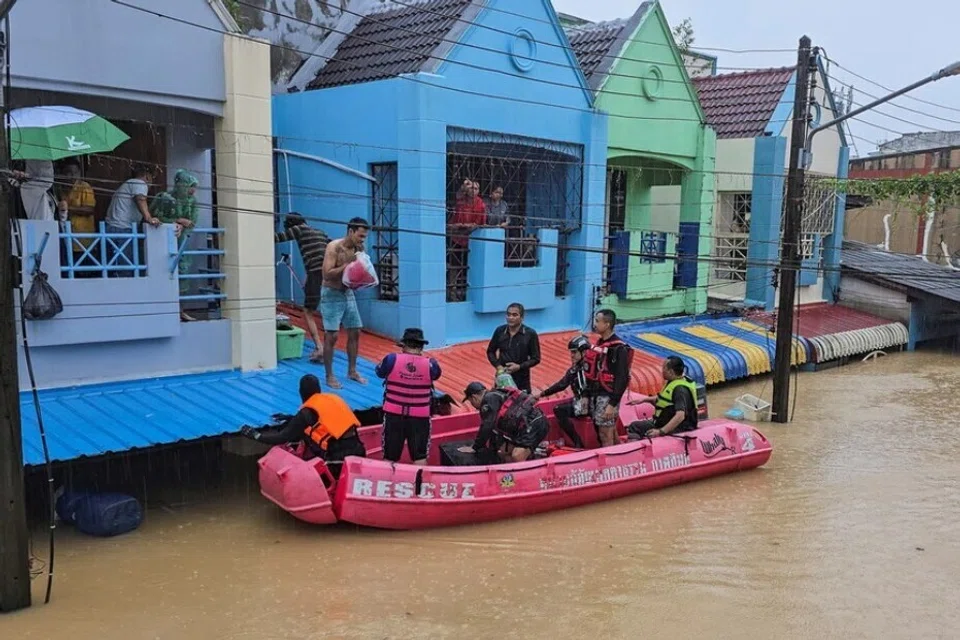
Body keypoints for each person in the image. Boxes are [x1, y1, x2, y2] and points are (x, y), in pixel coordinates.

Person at [240, 374, 366, 479]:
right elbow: (327, 422)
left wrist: (255, 435)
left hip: (337, 461)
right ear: (319, 389)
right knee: (306, 430)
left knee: (302, 433)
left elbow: (281, 437)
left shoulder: (306, 413)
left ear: (301, 393)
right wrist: (292, 419)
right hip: (358, 451)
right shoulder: (334, 398)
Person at [375, 328, 442, 466]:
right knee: (419, 456)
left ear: (404, 345)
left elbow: (379, 372)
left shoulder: (391, 359)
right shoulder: (431, 365)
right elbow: (436, 375)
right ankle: (418, 485)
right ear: (422, 346)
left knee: (389, 457)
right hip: (420, 418)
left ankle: (389, 484)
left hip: (394, 415)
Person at [320, 217, 370, 388]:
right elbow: (327, 274)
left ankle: (352, 370)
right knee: (332, 335)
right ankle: (329, 375)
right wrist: (347, 265)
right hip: (331, 293)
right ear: (350, 231)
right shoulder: (334, 247)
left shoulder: (359, 248)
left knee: (355, 331)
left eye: (364, 237)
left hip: (347, 292)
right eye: (360, 236)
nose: (362, 240)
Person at [275, 212, 330, 362]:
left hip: (315, 273)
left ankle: (319, 347)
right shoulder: (321, 233)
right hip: (329, 274)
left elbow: (277, 238)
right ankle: (327, 348)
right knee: (328, 312)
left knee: (308, 311)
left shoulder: (298, 230)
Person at [457, 381, 548, 463]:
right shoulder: (496, 394)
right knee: (502, 453)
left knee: (516, 457)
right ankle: (513, 471)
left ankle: (527, 473)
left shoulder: (488, 400)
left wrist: (475, 447)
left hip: (534, 424)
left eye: (471, 402)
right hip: (524, 426)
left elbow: (487, 425)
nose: (474, 407)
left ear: (474, 397)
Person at [151, 169, 199, 321]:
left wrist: (183, 225)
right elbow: (155, 217)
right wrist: (176, 221)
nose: (192, 190)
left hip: (182, 242)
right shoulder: (165, 198)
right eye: (189, 186)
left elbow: (192, 222)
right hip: (161, 243)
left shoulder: (192, 202)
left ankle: (180, 309)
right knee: (164, 272)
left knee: (183, 274)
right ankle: (166, 309)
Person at [583, 309, 633, 447]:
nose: (595, 324)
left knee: (605, 434)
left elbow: (622, 378)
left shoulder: (619, 349)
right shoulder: (599, 344)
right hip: (597, 394)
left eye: (598, 321)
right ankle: (621, 456)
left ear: (607, 324)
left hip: (607, 396)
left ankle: (609, 464)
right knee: (610, 432)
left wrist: (612, 404)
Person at [534, 335, 591, 448]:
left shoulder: (584, 368)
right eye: (571, 352)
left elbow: (562, 385)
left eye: (574, 352)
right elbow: (562, 384)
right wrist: (542, 394)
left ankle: (578, 443)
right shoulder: (576, 368)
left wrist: (541, 394)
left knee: (559, 410)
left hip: (590, 405)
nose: (572, 355)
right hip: (584, 402)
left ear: (584, 352)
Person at [104, 163, 161, 277]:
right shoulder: (139, 183)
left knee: (114, 268)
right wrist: (149, 218)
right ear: (147, 176)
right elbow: (140, 199)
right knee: (125, 268)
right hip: (122, 229)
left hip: (112, 227)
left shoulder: (127, 184)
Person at [626, 356, 699, 439]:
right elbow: (665, 400)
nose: (662, 371)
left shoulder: (679, 390)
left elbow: (680, 415)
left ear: (671, 372)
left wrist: (661, 431)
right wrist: (644, 400)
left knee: (634, 427)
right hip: (664, 421)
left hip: (678, 428)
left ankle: (634, 450)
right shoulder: (678, 380)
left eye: (664, 368)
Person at [485, 303, 541, 393]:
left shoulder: (530, 334)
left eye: (514, 315)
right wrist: (498, 366)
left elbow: (536, 358)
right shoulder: (500, 331)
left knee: (522, 405)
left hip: (521, 380)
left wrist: (519, 367)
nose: (510, 317)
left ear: (522, 317)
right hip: (502, 378)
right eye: (508, 314)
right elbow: (490, 351)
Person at [56, 161, 96, 275]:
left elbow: (90, 210)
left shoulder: (84, 187)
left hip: (83, 240)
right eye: (68, 173)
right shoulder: (60, 189)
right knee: (68, 273)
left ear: (79, 173)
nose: (72, 176)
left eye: (75, 172)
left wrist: (68, 208)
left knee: (85, 274)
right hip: (67, 240)